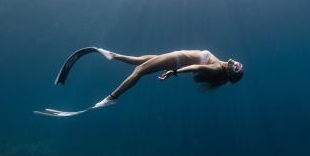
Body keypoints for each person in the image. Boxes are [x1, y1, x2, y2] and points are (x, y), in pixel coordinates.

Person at [35, 48, 244, 117]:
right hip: (175, 57)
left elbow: (197, 68)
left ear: (229, 71)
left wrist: (174, 71)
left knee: (139, 70)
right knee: (140, 60)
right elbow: (209, 68)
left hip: (176, 60)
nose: (234, 61)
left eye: (234, 65)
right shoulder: (223, 66)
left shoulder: (217, 68)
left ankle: (111, 98)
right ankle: (112, 55)